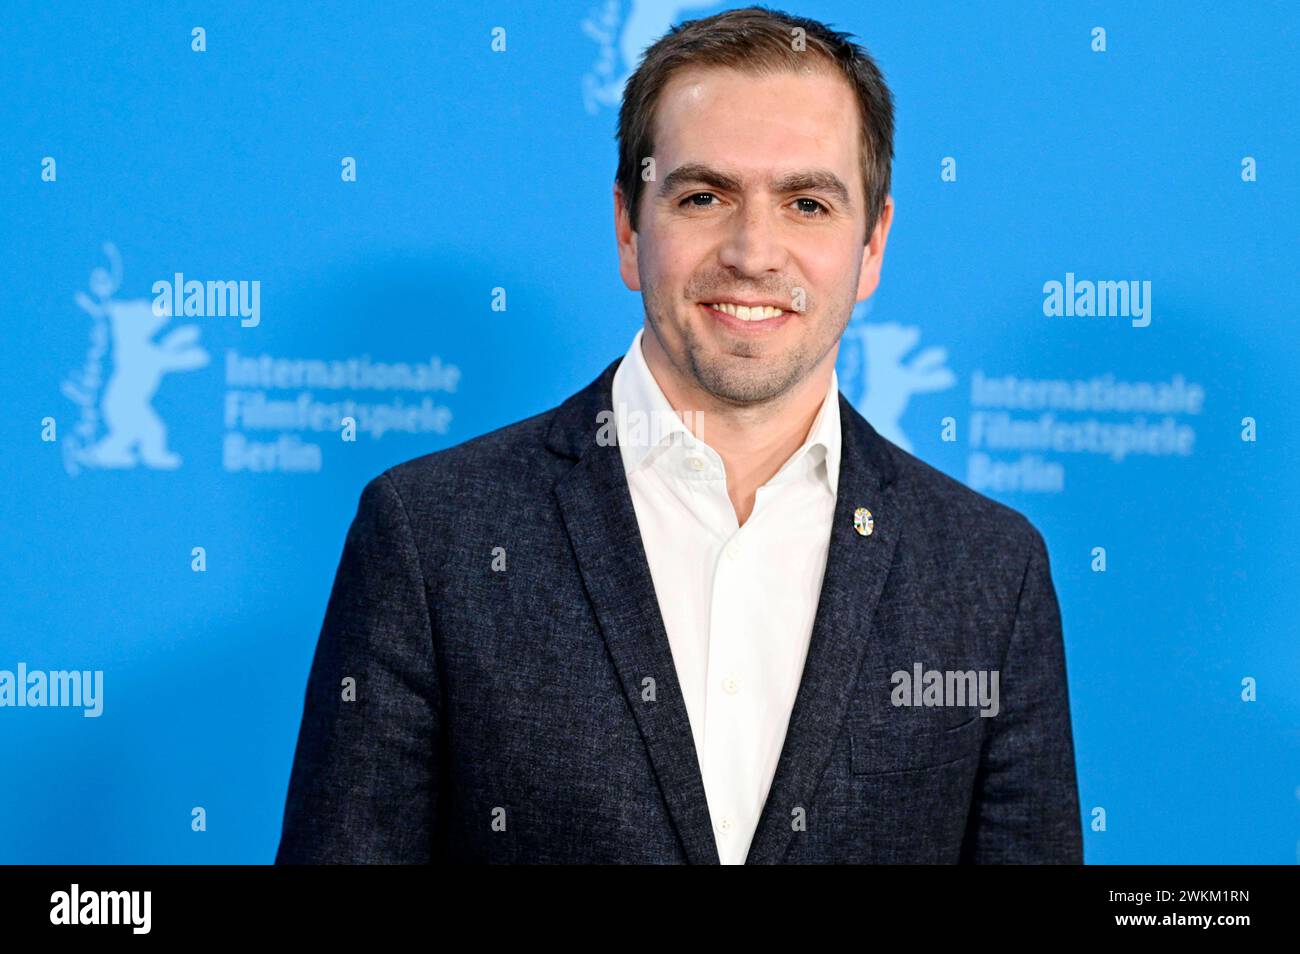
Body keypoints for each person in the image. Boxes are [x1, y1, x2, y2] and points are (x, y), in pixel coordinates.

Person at [275, 5, 1083, 864]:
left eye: (807, 203)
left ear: (873, 244)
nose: (753, 251)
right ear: (629, 228)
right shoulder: (432, 536)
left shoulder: (991, 573)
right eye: (704, 196)